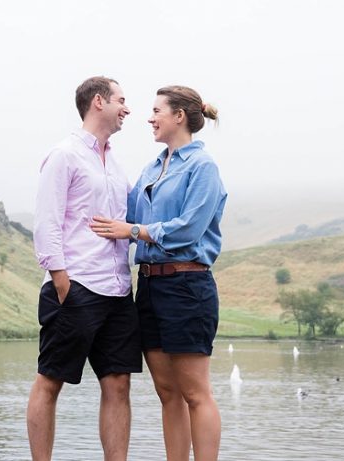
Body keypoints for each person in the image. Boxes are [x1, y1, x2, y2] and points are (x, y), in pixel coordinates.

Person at [92, 85, 226, 461]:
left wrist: (134, 232)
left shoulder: (203, 167)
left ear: (179, 116)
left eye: (156, 111)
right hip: (149, 287)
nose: (149, 118)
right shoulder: (153, 166)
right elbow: (126, 214)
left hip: (188, 285)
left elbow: (189, 229)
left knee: (195, 393)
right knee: (167, 392)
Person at [26, 76, 141, 461]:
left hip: (118, 290)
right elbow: (46, 222)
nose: (127, 108)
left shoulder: (116, 165)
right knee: (50, 381)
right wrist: (62, 281)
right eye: (121, 100)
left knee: (119, 384)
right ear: (98, 102)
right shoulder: (64, 155)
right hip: (77, 286)